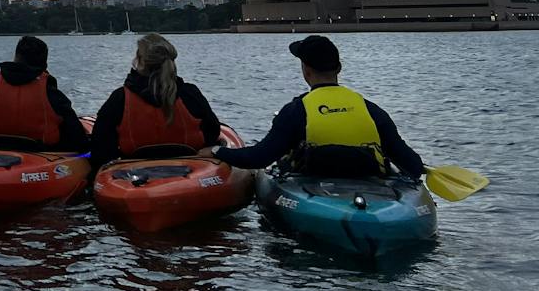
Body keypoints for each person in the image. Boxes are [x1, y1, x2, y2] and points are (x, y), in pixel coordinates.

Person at [201, 35, 425, 178]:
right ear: (339, 68)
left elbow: (258, 158)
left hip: (315, 188)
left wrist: (217, 150)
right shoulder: (372, 110)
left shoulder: (296, 112)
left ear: (305, 70)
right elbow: (412, 165)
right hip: (372, 187)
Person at [90, 33, 222, 167]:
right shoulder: (190, 94)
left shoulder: (119, 98)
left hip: (133, 171)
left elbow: (101, 144)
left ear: (140, 61)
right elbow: (213, 131)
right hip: (192, 167)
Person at [0, 35, 90, 152]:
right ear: (44, 64)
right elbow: (79, 141)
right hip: (43, 158)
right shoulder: (55, 97)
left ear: (15, 58)